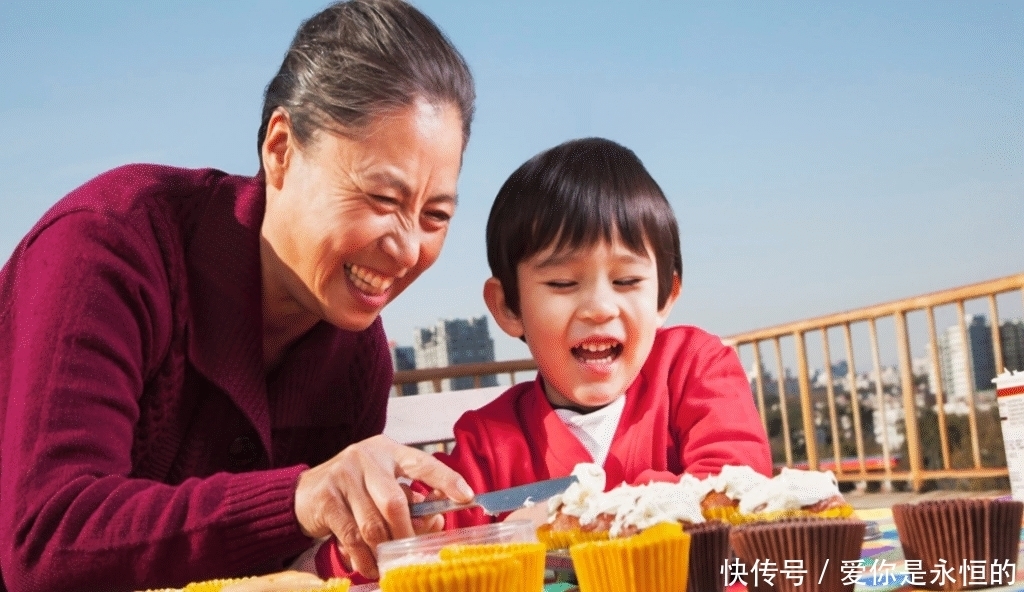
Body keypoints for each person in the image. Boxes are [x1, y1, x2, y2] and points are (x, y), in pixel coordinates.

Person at [0, 1, 478, 590]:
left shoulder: (357, 357)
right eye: (382, 199)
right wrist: (301, 496)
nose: (407, 250)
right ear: (280, 150)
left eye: (434, 215)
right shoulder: (109, 242)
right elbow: (46, 540)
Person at [441, 137, 773, 528]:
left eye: (627, 280)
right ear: (509, 307)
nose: (600, 308)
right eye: (563, 283)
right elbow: (410, 539)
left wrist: (581, 514)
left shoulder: (693, 368)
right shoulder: (487, 446)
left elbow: (732, 488)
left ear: (665, 296)